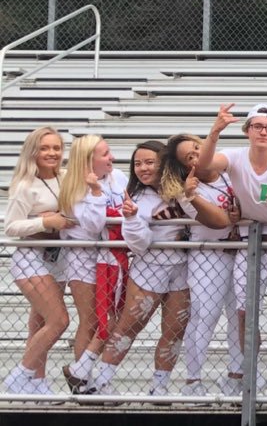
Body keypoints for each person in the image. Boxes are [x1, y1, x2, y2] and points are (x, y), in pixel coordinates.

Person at [86, 140, 230, 395]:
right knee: (129, 326)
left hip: (182, 268)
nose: (143, 168)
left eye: (149, 162)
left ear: (164, 164)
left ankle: (159, 387)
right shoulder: (137, 197)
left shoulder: (182, 189)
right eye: (138, 163)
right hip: (149, 268)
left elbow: (204, 216)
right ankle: (101, 381)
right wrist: (131, 218)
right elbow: (139, 244)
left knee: (174, 330)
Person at [196, 104, 267, 395]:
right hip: (250, 241)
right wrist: (215, 131)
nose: (263, 132)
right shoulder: (234, 155)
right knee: (245, 313)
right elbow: (203, 166)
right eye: (257, 126)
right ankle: (251, 374)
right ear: (247, 131)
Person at [164, 134, 242, 397]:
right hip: (209, 254)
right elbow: (218, 221)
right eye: (190, 156)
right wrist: (230, 216)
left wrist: (240, 214)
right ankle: (193, 380)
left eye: (198, 148)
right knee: (205, 315)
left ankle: (237, 375)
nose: (197, 156)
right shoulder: (186, 190)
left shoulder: (228, 169)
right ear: (184, 166)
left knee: (240, 315)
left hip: (241, 251)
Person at [54, 134, 128, 395]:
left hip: (112, 256)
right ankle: (83, 384)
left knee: (114, 317)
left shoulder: (118, 177)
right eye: (105, 154)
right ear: (88, 160)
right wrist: (96, 192)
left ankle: (86, 374)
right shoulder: (74, 186)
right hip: (82, 259)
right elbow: (94, 226)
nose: (112, 157)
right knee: (92, 321)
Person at [3, 127, 72, 395]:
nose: (51, 153)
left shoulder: (66, 177)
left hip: (58, 258)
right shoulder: (25, 185)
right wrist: (44, 221)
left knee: (40, 323)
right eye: (44, 148)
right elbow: (11, 226)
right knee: (59, 320)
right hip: (31, 258)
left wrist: (57, 217)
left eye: (56, 147)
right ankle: (20, 376)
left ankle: (36, 383)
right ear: (33, 151)